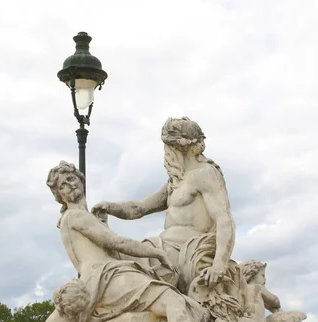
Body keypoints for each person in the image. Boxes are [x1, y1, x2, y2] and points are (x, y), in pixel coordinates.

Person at [45, 161, 225, 322]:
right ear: (59, 195)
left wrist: (105, 222)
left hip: (106, 277)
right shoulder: (76, 216)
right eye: (63, 185)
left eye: (71, 179)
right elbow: (117, 243)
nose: (70, 185)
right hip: (109, 277)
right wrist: (156, 252)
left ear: (81, 180)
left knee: (182, 302)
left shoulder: (77, 218)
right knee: (173, 300)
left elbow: (109, 249)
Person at [91, 117, 237, 295]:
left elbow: (224, 219)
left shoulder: (205, 174)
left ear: (179, 147)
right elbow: (139, 208)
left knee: (126, 265)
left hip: (186, 253)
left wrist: (219, 264)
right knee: (117, 257)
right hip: (163, 247)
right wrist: (110, 207)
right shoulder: (175, 181)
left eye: (168, 147)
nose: (166, 153)